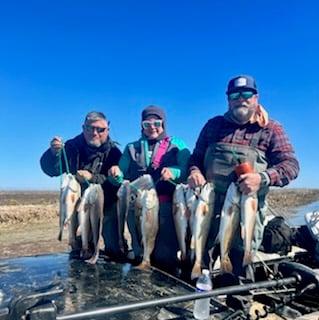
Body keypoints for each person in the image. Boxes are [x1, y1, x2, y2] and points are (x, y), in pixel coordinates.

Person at [188, 75, 300, 283]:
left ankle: (238, 307)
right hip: (208, 208)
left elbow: (291, 166)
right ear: (228, 99)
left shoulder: (271, 129)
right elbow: (195, 158)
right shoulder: (213, 126)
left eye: (247, 94)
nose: (241, 99)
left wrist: (263, 177)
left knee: (239, 267)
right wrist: (195, 172)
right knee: (199, 259)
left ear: (256, 98)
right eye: (235, 95)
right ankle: (195, 303)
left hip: (246, 209)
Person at [108, 105, 191, 274]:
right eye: (147, 124)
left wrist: (175, 172)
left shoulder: (177, 144)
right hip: (136, 208)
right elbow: (120, 175)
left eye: (157, 123)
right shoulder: (131, 148)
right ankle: (141, 283)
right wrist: (115, 173)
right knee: (139, 248)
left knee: (165, 254)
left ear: (164, 124)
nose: (152, 127)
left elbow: (187, 169)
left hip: (166, 208)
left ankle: (168, 292)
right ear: (142, 125)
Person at [40, 111, 123, 261]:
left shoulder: (115, 152)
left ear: (107, 130)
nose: (95, 133)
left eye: (100, 129)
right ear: (83, 128)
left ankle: (115, 265)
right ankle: (80, 271)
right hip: (78, 205)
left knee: (114, 248)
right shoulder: (72, 147)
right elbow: (52, 170)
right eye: (90, 128)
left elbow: (117, 181)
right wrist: (52, 153)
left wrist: (92, 178)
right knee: (80, 246)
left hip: (107, 203)